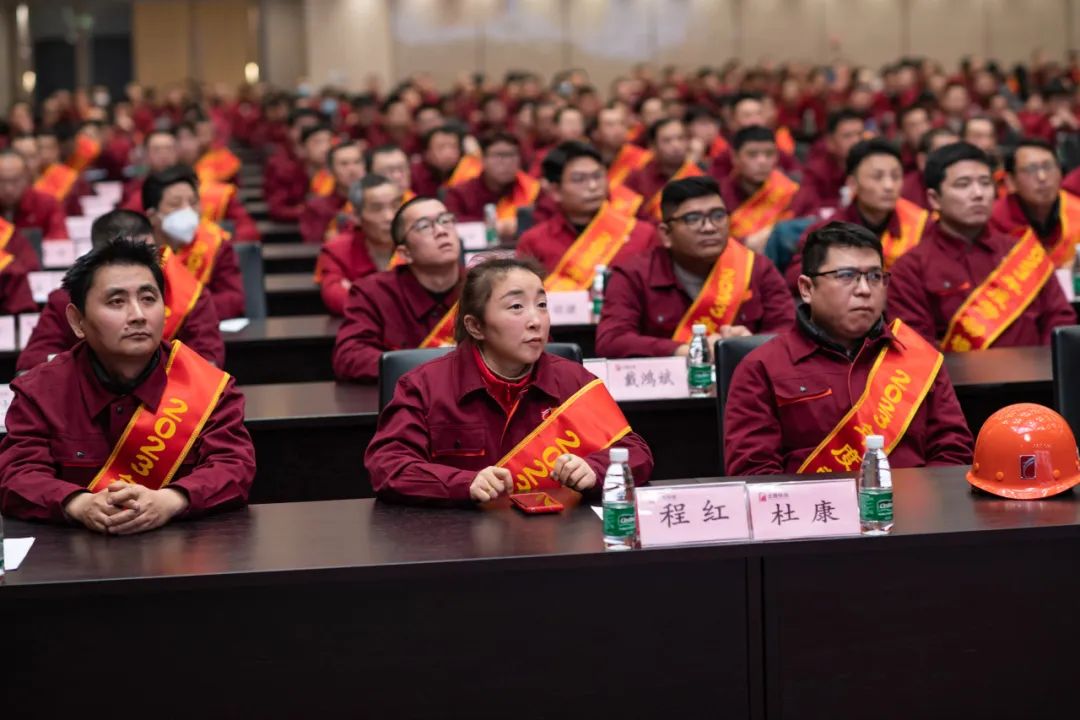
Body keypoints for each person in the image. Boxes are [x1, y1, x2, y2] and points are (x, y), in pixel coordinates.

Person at [0, 237, 255, 529]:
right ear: (77, 321)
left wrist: (171, 500)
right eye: (116, 302)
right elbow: (16, 475)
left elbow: (234, 466)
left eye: (148, 299)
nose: (138, 316)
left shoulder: (207, 387)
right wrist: (78, 504)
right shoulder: (40, 392)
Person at [364, 257, 653, 502]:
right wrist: (464, 483)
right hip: (460, 537)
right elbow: (388, 465)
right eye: (516, 307)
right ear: (475, 326)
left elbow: (636, 452)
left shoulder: (572, 379)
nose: (536, 321)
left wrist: (596, 469)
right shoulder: (424, 386)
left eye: (542, 304)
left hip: (554, 535)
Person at [723, 222, 973, 476]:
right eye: (846, 276)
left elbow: (953, 453)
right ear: (807, 289)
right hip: (813, 502)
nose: (864, 290)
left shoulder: (917, 357)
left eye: (875, 276)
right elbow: (755, 474)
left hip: (915, 500)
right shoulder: (762, 368)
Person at [888, 142, 1076, 350]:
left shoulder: (1023, 253)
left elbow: (1060, 319)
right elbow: (915, 348)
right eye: (963, 184)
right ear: (934, 199)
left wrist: (1046, 365)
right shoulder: (910, 270)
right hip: (954, 373)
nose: (978, 193)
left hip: (1039, 371)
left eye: (985, 183)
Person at [595, 176, 793, 358]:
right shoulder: (634, 274)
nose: (709, 227)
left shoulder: (756, 268)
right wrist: (688, 351)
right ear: (666, 234)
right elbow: (611, 341)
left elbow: (789, 333)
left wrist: (750, 344)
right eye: (693, 219)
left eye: (718, 215)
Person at [18, 209, 224, 372]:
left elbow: (207, 365)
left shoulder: (187, 293)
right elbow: (31, 366)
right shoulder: (67, 300)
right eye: (116, 302)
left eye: (150, 254)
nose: (137, 267)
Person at [332, 196, 463, 382]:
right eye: (424, 226)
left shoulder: (483, 286)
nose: (441, 231)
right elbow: (349, 356)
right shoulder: (373, 292)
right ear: (405, 253)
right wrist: (427, 370)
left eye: (446, 220)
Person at [786, 138, 930, 287]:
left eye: (895, 176)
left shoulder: (921, 223)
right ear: (852, 184)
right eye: (877, 177)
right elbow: (794, 277)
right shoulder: (827, 230)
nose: (889, 186)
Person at [516, 141, 657, 290]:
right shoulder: (534, 241)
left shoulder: (641, 233)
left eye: (598, 176)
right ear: (555, 191)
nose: (592, 186)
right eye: (579, 179)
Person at [142, 166, 246, 319]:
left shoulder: (216, 245)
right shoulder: (139, 252)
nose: (187, 210)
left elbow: (234, 300)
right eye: (175, 204)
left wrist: (185, 310)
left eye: (193, 202)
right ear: (152, 216)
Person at [121, 131, 259, 242]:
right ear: (145, 155)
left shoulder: (206, 189)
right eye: (156, 150)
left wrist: (222, 247)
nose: (164, 154)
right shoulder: (136, 194)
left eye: (169, 148)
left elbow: (248, 229)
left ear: (178, 152)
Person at [316, 174, 404, 316]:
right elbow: (334, 297)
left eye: (395, 206)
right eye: (377, 208)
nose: (390, 217)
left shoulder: (416, 243)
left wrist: (361, 295)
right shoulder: (337, 250)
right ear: (356, 216)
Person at [990, 138, 1079, 267]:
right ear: (1011, 181)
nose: (1042, 177)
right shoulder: (994, 220)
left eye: (1048, 167)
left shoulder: (1077, 210)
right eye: (1030, 169)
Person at [716, 126, 800, 252]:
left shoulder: (790, 190)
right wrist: (746, 242)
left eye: (769, 154)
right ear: (735, 157)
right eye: (752, 154)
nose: (762, 161)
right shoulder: (720, 195)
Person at [444, 132, 539, 241]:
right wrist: (491, 227)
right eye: (498, 155)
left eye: (511, 155)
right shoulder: (460, 193)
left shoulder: (530, 188)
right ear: (483, 160)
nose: (506, 162)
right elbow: (453, 225)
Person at [789, 108, 866, 218]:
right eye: (847, 136)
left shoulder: (871, 170)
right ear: (830, 142)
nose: (856, 141)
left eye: (860, 135)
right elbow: (804, 211)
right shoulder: (816, 171)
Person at [0, 149, 68, 271]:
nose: (8, 188)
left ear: (27, 177)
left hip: (40, 272)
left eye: (15, 180)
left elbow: (59, 244)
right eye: (2, 181)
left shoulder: (46, 203)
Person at [708, 93, 801, 180]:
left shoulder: (774, 148)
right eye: (747, 115)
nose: (755, 120)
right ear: (733, 121)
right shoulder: (724, 153)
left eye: (759, 114)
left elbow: (796, 173)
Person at [263, 111, 329, 222]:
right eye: (317, 142)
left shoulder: (335, 169)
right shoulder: (282, 166)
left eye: (327, 141)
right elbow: (277, 209)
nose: (324, 148)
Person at [298, 140, 366, 244]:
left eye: (357, 162)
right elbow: (313, 247)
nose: (352, 169)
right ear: (330, 171)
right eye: (344, 164)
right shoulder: (316, 207)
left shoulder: (376, 202)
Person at [900, 127, 958, 209]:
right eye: (944, 154)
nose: (955, 160)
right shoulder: (904, 191)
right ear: (922, 160)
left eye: (958, 154)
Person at [410, 124, 470, 197]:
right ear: (427, 153)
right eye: (441, 147)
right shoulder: (413, 175)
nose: (448, 153)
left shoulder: (467, 170)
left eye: (453, 147)